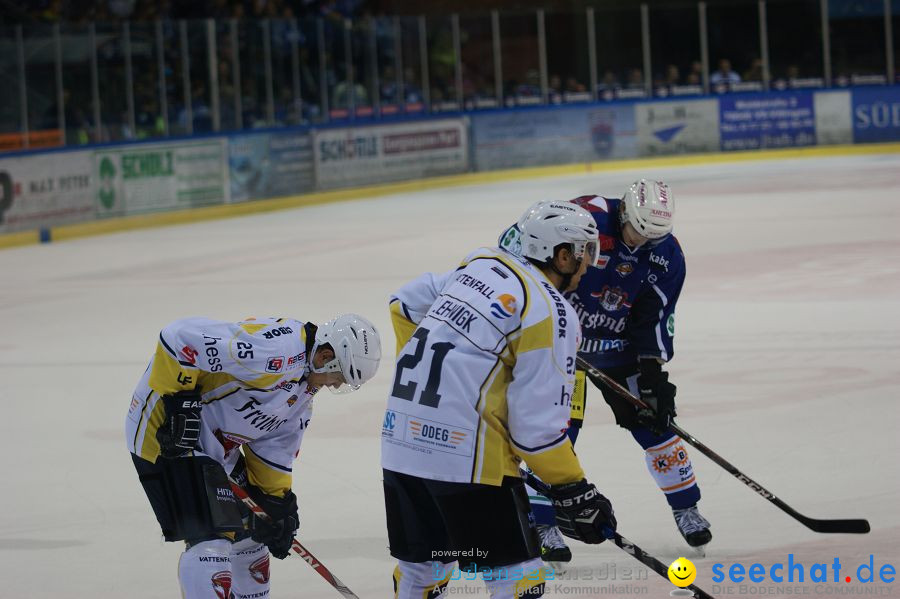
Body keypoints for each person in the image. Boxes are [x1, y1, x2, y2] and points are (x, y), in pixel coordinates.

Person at [382, 201, 618, 598]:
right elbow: (536, 431)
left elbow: (404, 304)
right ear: (562, 255)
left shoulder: (478, 265)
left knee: (423, 568)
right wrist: (573, 487)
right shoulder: (550, 310)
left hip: (400, 445)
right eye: (585, 253)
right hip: (467, 464)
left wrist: (431, 387)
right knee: (517, 579)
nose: (588, 265)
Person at [500, 180, 711, 566]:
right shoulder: (588, 218)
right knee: (554, 435)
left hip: (620, 348)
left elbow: (655, 315)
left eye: (654, 237)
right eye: (638, 232)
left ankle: (686, 507)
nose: (643, 243)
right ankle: (542, 522)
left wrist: (651, 374)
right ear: (624, 214)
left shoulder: (666, 253)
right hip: (565, 346)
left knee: (655, 423)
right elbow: (521, 250)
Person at [126, 314, 381, 599]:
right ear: (325, 355)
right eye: (339, 376)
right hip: (166, 435)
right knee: (211, 543)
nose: (335, 385)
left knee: (252, 539)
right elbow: (179, 338)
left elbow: (274, 445)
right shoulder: (275, 352)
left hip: (217, 450)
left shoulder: (304, 392)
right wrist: (179, 402)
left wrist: (277, 502)